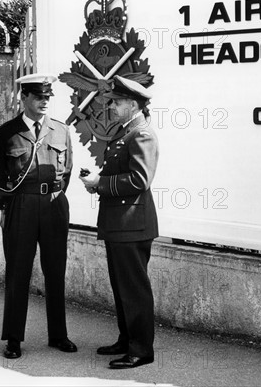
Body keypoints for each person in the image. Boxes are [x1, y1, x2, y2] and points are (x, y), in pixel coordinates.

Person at [0, 74, 76, 359]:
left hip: (53, 204)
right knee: (18, 273)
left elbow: (68, 171)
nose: (44, 102)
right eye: (38, 97)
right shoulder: (6, 134)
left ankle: (58, 334)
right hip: (21, 206)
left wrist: (53, 196)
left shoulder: (60, 131)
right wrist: (11, 203)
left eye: (48, 97)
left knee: (55, 271)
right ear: (24, 98)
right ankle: (14, 338)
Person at [80, 75, 159, 369]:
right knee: (122, 286)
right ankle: (127, 339)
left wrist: (101, 181)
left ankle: (141, 349)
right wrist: (97, 182)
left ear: (132, 104)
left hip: (132, 224)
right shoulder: (126, 131)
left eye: (116, 102)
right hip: (120, 224)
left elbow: (140, 179)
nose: (111, 106)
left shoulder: (141, 134)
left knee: (134, 289)